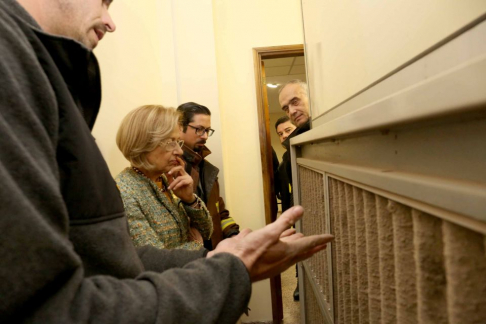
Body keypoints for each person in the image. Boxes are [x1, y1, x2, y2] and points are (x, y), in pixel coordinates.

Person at [0, 0, 333, 322]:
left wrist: (203, 230)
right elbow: (58, 302)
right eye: (104, 2)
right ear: (146, 144)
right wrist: (225, 265)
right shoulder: (127, 188)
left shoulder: (168, 181)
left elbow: (186, 234)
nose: (111, 22)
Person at [115, 105, 213, 250]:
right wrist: (196, 245)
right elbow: (156, 259)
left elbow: (206, 232)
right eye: (170, 142)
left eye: (178, 142)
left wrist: (190, 200)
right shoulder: (124, 192)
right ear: (144, 143)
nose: (179, 151)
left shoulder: (167, 180)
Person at [177, 102, 239, 250]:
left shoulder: (208, 170)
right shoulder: (169, 171)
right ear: (180, 127)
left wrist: (234, 236)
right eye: (199, 129)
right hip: (187, 259)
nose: (205, 136)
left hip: (212, 253)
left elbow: (219, 213)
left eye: (207, 130)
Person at [278, 80, 312, 301]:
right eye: (286, 108)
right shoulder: (292, 148)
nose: (291, 111)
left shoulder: (315, 134)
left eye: (295, 101)